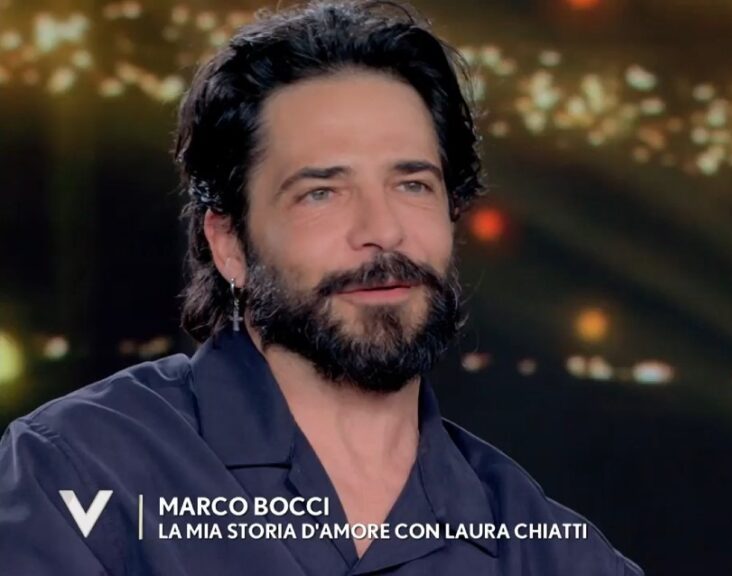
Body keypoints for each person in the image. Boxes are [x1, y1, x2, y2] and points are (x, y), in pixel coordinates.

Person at [0, 2, 644, 574]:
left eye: (412, 184)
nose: (382, 230)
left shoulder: (549, 553)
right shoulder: (81, 475)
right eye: (321, 193)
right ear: (229, 243)